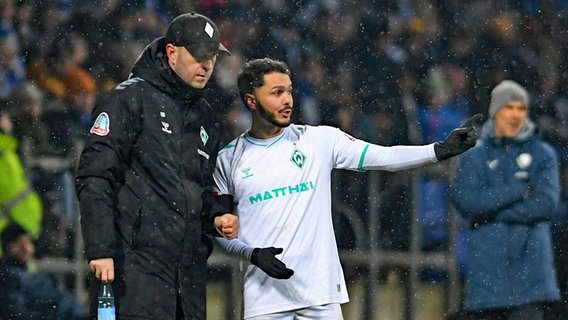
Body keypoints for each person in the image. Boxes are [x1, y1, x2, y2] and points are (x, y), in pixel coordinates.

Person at [213, 57, 481, 319]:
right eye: (277, 92)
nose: (288, 100)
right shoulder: (229, 159)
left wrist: (438, 151)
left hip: (319, 296)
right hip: (264, 299)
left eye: (290, 91)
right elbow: (220, 231)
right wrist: (252, 254)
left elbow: (384, 157)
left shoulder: (318, 141)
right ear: (251, 100)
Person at [75, 12, 239, 320]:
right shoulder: (130, 99)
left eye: (213, 57)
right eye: (200, 55)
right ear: (172, 52)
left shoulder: (207, 119)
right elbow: (94, 176)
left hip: (187, 280)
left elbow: (203, 189)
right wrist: (100, 249)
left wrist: (217, 214)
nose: (207, 66)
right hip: (133, 271)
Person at [450, 79, 560, 320]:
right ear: (495, 111)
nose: (515, 115)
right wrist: (519, 190)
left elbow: (546, 205)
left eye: (521, 109)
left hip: (531, 283)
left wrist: (489, 209)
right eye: (508, 108)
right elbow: (466, 201)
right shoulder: (474, 157)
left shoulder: (543, 154)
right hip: (486, 283)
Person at [0, 222, 89, 319]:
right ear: (8, 246)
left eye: (27, 242)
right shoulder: (9, 278)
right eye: (18, 243)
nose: (26, 248)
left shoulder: (28, 275)